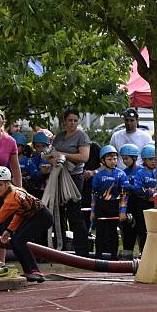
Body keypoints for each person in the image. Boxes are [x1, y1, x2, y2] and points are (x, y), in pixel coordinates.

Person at [0, 166, 53, 283]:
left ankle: (34, 270)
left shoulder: (11, 198)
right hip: (35, 216)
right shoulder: (13, 191)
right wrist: (9, 230)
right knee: (14, 241)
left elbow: (0, 217)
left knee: (19, 241)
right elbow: (19, 213)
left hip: (42, 217)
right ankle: (28, 270)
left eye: (0, 185)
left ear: (7, 183)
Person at [51, 108, 91, 256]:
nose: (72, 123)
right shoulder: (60, 136)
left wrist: (62, 155)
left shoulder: (82, 136)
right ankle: (60, 248)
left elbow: (84, 157)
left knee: (74, 213)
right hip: (59, 176)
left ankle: (82, 251)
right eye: (70, 120)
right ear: (64, 122)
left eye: (75, 120)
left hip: (74, 177)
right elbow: (52, 153)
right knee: (58, 212)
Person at [91, 145, 128, 260]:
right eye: (110, 159)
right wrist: (93, 211)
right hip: (101, 206)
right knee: (100, 232)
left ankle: (114, 257)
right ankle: (98, 257)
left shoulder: (121, 174)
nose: (113, 161)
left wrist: (123, 211)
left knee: (113, 233)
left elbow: (124, 195)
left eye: (115, 158)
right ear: (103, 161)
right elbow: (94, 195)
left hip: (114, 206)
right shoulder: (98, 176)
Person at [128, 143, 157, 254]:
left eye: (155, 159)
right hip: (142, 205)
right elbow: (138, 189)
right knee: (143, 229)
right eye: (150, 159)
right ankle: (144, 252)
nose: (153, 161)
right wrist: (149, 192)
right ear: (144, 160)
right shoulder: (139, 173)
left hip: (154, 205)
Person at [118, 144, 141, 260]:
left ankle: (144, 255)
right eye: (123, 158)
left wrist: (131, 187)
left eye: (126, 158)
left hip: (140, 204)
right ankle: (127, 255)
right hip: (128, 204)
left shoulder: (141, 171)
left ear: (135, 158)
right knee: (127, 229)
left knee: (142, 230)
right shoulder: (123, 173)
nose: (124, 161)